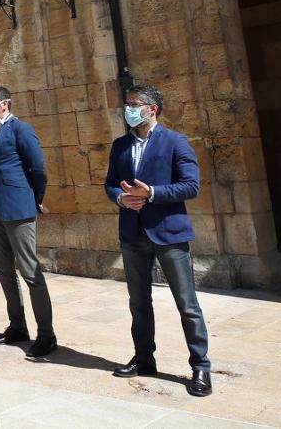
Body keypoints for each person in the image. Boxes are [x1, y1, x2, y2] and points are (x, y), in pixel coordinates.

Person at [106, 83, 212, 397]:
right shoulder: (120, 145)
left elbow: (191, 186)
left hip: (169, 233)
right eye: (127, 104)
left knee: (187, 304)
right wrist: (123, 200)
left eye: (135, 104)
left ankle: (201, 366)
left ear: (152, 109)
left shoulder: (176, 142)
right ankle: (143, 358)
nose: (129, 109)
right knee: (138, 302)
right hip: (132, 233)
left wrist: (151, 193)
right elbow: (111, 184)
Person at [0, 85, 56, 358]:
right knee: (4, 269)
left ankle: (46, 334)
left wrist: (33, 199)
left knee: (29, 270)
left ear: (5, 104)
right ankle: (17, 325)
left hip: (18, 207)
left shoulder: (20, 130)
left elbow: (38, 168)